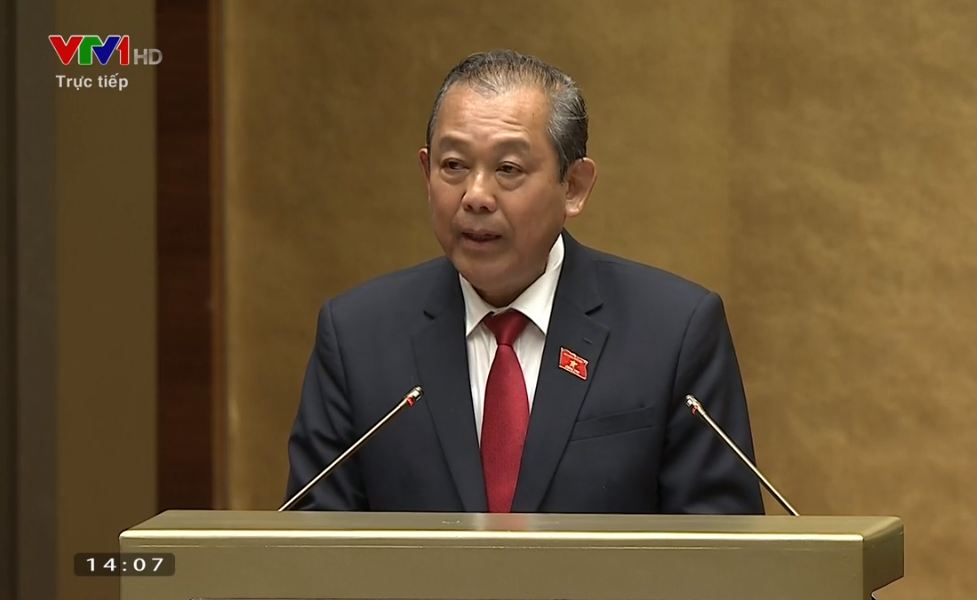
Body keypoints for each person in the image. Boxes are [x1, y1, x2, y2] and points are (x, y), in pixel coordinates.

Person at [285, 49, 763, 514]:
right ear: (426, 173)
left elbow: (720, 548)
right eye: (453, 166)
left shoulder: (672, 332)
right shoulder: (357, 336)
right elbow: (311, 544)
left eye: (508, 169)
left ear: (574, 186)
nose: (475, 195)